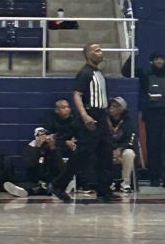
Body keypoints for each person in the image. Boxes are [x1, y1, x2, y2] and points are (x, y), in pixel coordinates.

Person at [50, 42, 117, 203]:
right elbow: (77, 95)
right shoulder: (85, 73)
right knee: (82, 155)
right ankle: (59, 184)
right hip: (91, 116)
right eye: (97, 50)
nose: (101, 52)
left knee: (105, 155)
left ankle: (104, 190)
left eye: (101, 49)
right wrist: (85, 116)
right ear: (88, 55)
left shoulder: (99, 73)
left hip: (101, 116)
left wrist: (106, 120)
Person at [139, 52, 165, 189]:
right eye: (156, 59)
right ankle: (154, 177)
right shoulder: (146, 75)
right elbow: (126, 72)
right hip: (152, 114)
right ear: (152, 61)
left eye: (161, 59)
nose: (159, 61)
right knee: (153, 146)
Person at [4, 128, 65, 199]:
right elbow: (31, 164)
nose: (44, 137)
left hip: (49, 179)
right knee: (33, 185)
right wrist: (37, 147)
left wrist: (53, 147)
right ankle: (27, 189)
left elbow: (61, 166)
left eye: (45, 135)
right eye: (41, 135)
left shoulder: (51, 147)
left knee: (45, 186)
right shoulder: (29, 148)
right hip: (34, 179)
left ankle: (28, 190)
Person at [107, 97, 136, 195]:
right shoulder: (105, 120)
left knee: (129, 153)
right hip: (108, 149)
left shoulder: (128, 122)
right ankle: (107, 182)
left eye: (115, 106)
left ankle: (125, 183)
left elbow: (130, 140)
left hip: (122, 150)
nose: (111, 108)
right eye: (111, 106)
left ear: (122, 109)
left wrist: (120, 149)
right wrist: (111, 149)